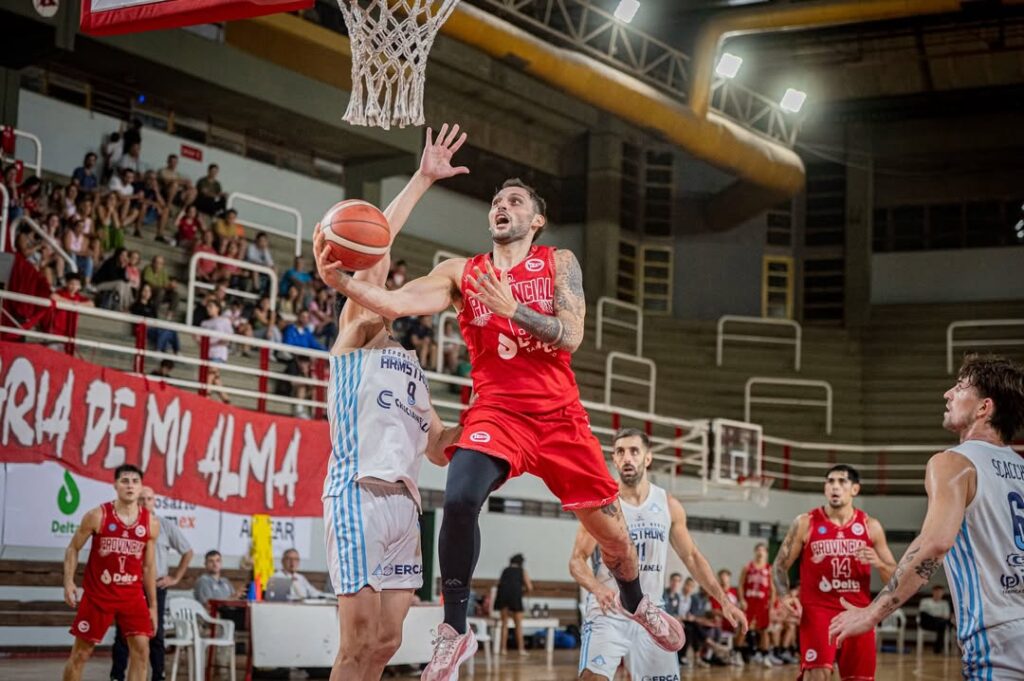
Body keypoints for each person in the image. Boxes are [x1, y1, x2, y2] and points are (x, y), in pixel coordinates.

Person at [314, 125, 685, 680]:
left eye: (514, 201)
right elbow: (391, 300)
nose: (501, 206)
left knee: (615, 537)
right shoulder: (461, 274)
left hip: (559, 416)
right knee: (460, 497)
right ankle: (454, 629)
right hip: (498, 411)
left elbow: (572, 336)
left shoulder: (559, 262)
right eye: (496, 201)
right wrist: (341, 281)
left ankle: (637, 601)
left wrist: (514, 311)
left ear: (536, 220)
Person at [318, 127, 462, 681]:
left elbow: (440, 447)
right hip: (358, 492)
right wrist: (422, 179)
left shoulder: (413, 370)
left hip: (405, 503)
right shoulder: (354, 334)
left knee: (386, 640)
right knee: (356, 641)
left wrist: (487, 413)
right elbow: (375, 253)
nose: (382, 294)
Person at [829, 355, 1024, 679]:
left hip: (996, 638)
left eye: (960, 387)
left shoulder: (953, 463)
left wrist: (872, 613)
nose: (948, 394)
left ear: (984, 408)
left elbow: (935, 543)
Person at [570, 428, 747, 681]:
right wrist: (597, 589)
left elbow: (692, 557)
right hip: (609, 612)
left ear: (648, 458)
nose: (627, 458)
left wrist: (724, 601)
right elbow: (577, 560)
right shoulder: (602, 504)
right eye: (620, 452)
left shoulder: (667, 504)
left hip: (652, 613)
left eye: (634, 451)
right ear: (614, 459)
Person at [773, 464, 898, 681]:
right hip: (817, 612)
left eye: (842, 481)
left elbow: (896, 578)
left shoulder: (870, 526)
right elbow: (779, 566)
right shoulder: (806, 523)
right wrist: (784, 596)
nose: (835, 487)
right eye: (830, 481)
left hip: (858, 613)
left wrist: (878, 563)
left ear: (855, 489)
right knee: (816, 674)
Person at [62, 464, 159, 681]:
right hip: (99, 595)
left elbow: (148, 567)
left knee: (142, 651)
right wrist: (69, 581)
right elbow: (73, 548)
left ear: (141, 487)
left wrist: (153, 606)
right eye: (125, 481)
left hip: (132, 596)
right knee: (81, 654)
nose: (130, 486)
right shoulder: (97, 515)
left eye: (135, 481)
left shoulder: (151, 523)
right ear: (115, 485)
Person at [110, 486, 193, 681]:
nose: (145, 502)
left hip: (156, 586)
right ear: (135, 501)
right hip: (130, 586)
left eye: (149, 499)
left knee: (156, 632)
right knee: (123, 632)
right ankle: (116, 676)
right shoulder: (125, 525)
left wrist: (175, 577)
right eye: (141, 499)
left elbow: (188, 552)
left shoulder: (164, 525)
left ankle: (158, 676)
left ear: (155, 501)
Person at [739, 542, 780, 666]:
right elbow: (740, 585)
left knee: (764, 630)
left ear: (766, 553)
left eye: (763, 550)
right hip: (749, 602)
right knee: (744, 628)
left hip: (763, 603)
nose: (760, 552)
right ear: (755, 551)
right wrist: (742, 599)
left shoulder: (769, 569)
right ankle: (736, 653)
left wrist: (772, 606)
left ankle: (765, 655)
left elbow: (773, 589)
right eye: (758, 549)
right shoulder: (747, 567)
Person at [494, 554, 533, 656]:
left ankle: (503, 649)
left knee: (504, 624)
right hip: (515, 597)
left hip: (503, 597)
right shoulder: (522, 571)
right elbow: (530, 587)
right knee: (518, 625)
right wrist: (522, 593)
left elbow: (499, 584)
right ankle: (521, 650)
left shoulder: (505, 570)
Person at [917, 585, 952, 654]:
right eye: (937, 592)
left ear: (942, 593)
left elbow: (946, 616)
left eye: (940, 592)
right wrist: (937, 617)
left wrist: (936, 617)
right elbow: (922, 613)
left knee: (942, 624)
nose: (938, 594)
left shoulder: (945, 604)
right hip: (927, 622)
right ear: (933, 592)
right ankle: (938, 648)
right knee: (926, 615)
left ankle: (938, 648)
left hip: (938, 624)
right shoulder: (925, 601)